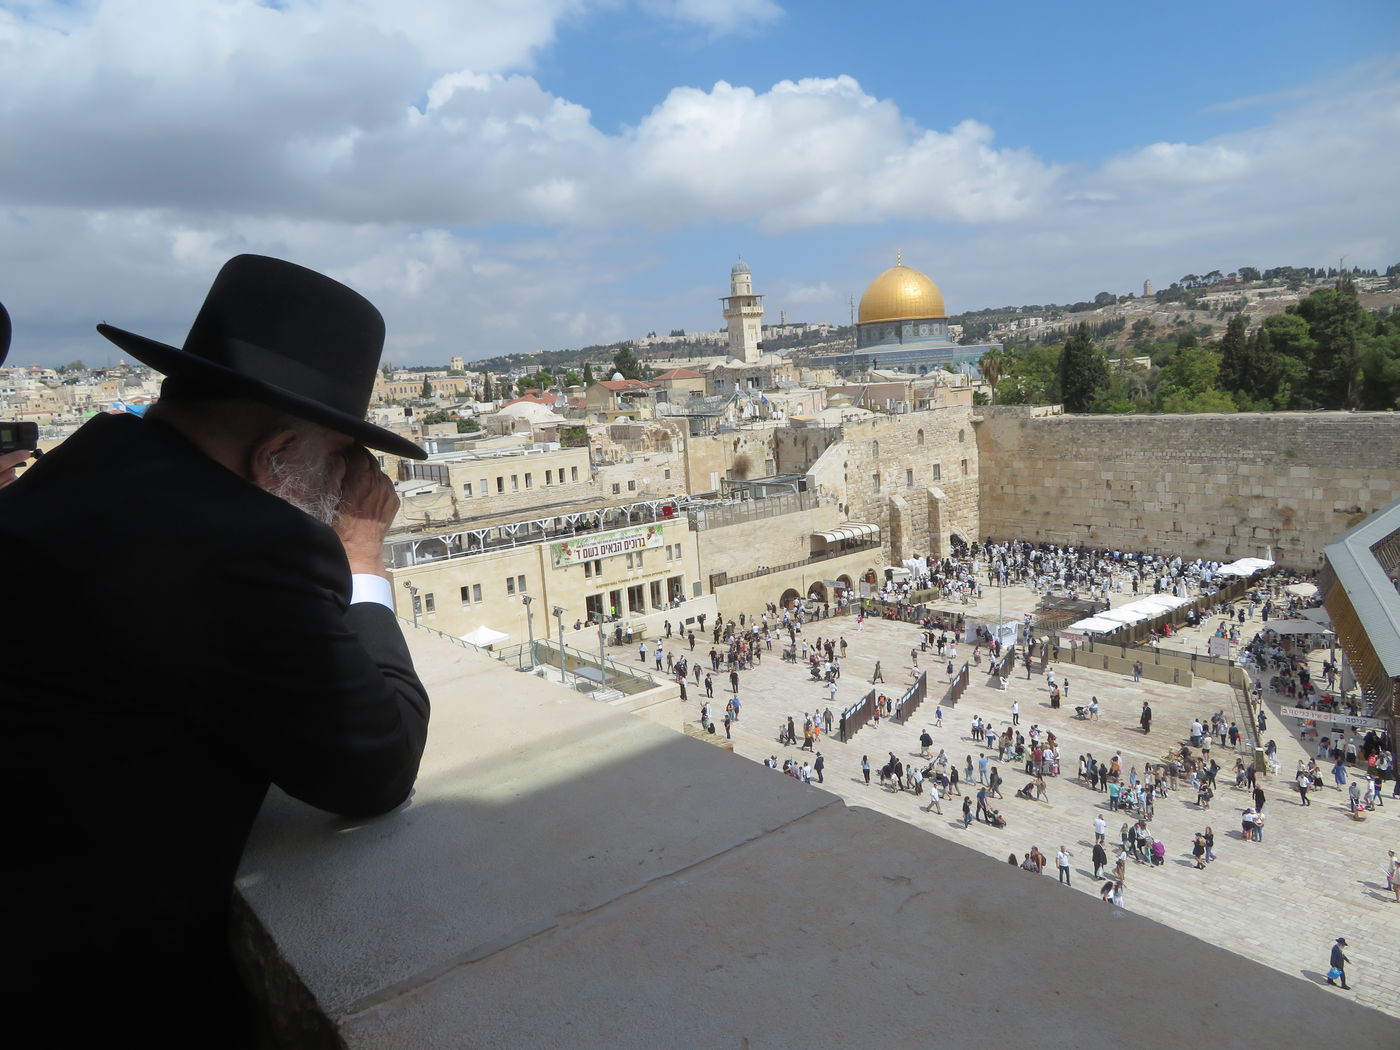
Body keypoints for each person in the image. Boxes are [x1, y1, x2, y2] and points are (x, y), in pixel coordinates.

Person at [0, 256, 433, 1039]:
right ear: (275, 456)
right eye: (343, 460)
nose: (348, 486)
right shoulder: (240, 543)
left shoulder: (84, 464)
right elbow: (376, 763)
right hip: (91, 989)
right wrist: (364, 559)